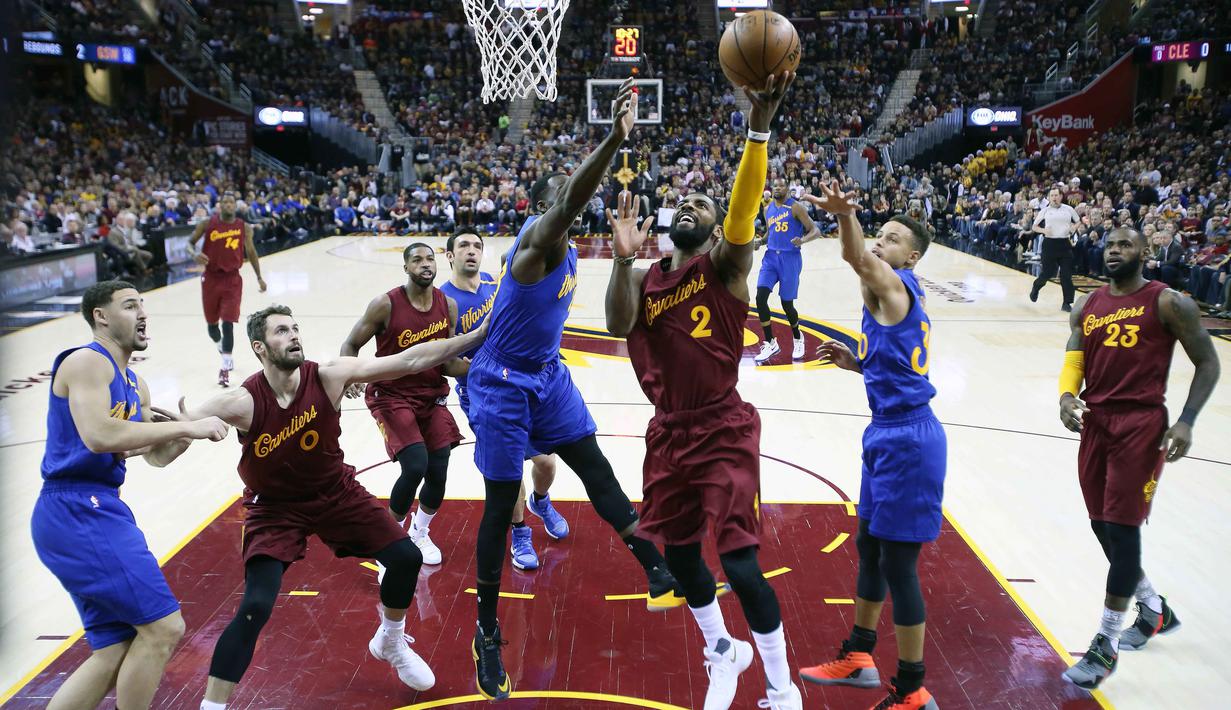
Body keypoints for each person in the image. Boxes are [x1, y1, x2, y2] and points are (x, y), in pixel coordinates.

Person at [466, 77, 679, 701]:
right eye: (563, 196)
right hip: (501, 386)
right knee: (500, 503)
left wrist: (620, 256)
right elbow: (567, 202)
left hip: (547, 375)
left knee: (596, 467)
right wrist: (613, 140)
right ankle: (485, 633)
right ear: (545, 208)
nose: (572, 200)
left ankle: (657, 570)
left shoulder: (569, 250)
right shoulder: (537, 244)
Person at [603, 72, 803, 710]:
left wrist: (758, 131)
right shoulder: (649, 279)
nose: (689, 208)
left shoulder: (725, 268)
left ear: (717, 233)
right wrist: (622, 261)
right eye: (682, 205)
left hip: (723, 427)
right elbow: (614, 324)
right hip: (668, 432)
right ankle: (723, 651)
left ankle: (780, 687)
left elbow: (744, 208)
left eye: (703, 209)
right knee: (683, 560)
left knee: (740, 565)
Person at [185, 304, 489, 709]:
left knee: (405, 557)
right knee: (256, 605)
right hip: (274, 508)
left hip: (335, 492)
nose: (294, 335)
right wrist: (173, 429)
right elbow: (170, 441)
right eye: (281, 331)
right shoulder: (242, 401)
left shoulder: (327, 376)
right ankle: (213, 705)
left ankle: (390, 641)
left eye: (296, 328)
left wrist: (477, 334)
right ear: (260, 347)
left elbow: (409, 358)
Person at [32, 280, 230, 710]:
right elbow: (100, 435)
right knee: (163, 628)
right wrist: (184, 427)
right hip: (75, 508)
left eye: (143, 304)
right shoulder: (87, 361)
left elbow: (145, 452)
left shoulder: (135, 382)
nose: (143, 313)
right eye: (129, 305)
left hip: (98, 508)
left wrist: (181, 434)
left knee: (114, 649)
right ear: (100, 316)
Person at [799, 183, 945, 710]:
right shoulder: (892, 295)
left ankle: (913, 688)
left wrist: (847, 217)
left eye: (893, 238)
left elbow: (855, 256)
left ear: (913, 256)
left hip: (910, 438)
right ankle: (860, 656)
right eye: (881, 234)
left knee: (899, 565)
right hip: (885, 431)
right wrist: (858, 363)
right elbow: (902, 357)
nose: (882, 243)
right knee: (867, 547)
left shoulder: (897, 283)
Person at [1056, 227, 1220, 689]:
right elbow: (1075, 354)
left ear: (1144, 253)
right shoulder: (1086, 305)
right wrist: (1067, 396)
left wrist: (1186, 419)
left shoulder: (1169, 302)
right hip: (1096, 423)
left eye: (1125, 245)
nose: (1114, 252)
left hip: (1141, 425)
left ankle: (1104, 645)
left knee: (1124, 532)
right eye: (1109, 245)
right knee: (1100, 524)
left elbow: (1208, 361)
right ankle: (1153, 608)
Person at [440, 229, 569, 570]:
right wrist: (487, 369)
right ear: (449, 255)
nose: (472, 251)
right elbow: (446, 363)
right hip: (482, 395)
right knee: (510, 472)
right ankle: (520, 533)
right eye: (463, 246)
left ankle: (541, 501)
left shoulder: (491, 284)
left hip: (520, 384)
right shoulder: (445, 301)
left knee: (547, 462)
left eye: (477, 246)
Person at [338, 243, 465, 565]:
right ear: (406, 268)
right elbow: (351, 343)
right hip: (391, 395)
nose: (425, 264)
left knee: (439, 469)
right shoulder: (385, 304)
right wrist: (349, 375)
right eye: (417, 260)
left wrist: (486, 369)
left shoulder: (447, 305)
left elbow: (448, 363)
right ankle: (389, 541)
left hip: (431, 396)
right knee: (415, 464)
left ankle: (419, 532)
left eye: (429, 259)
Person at [188, 192, 267, 388]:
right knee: (212, 326)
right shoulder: (207, 224)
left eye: (232, 202)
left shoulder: (244, 227)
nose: (229, 205)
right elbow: (189, 243)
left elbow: (252, 252)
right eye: (225, 202)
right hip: (211, 278)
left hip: (232, 279)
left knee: (228, 322)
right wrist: (194, 254)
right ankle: (222, 347)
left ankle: (225, 365)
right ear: (220, 205)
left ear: (236, 206)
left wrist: (259, 277)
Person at [753, 177, 821, 364]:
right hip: (770, 259)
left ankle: (798, 337)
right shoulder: (767, 209)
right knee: (760, 298)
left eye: (781, 185)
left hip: (790, 258)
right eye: (774, 185)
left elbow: (815, 230)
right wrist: (760, 241)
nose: (777, 188)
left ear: (788, 190)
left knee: (787, 304)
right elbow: (771, 232)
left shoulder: (796, 207)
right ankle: (770, 342)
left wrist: (803, 241)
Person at [1030, 187, 1080, 311]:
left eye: (1056, 195)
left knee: (1066, 275)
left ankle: (1067, 303)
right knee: (1047, 273)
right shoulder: (1045, 211)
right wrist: (1043, 230)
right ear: (1049, 197)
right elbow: (1034, 227)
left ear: (1061, 196)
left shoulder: (1068, 209)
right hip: (1049, 244)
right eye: (1052, 195)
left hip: (1064, 244)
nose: (1054, 197)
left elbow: (1078, 221)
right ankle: (1036, 287)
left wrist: (1074, 227)